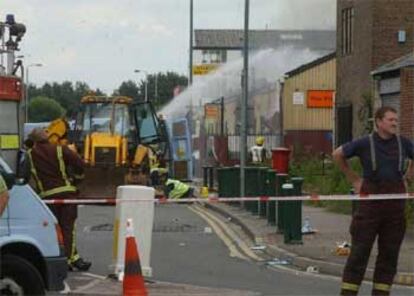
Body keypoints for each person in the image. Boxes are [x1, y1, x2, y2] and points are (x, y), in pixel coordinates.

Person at [332, 106, 414, 296]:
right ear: (378, 122)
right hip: (370, 204)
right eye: (390, 119)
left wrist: (408, 177)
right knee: (360, 251)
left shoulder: (403, 143)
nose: (395, 123)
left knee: (389, 254)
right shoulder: (364, 143)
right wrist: (354, 179)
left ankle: (381, 293)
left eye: (396, 120)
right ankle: (348, 292)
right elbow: (338, 154)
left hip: (395, 205)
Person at [26, 128, 91, 271]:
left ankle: (69, 258)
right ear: (47, 137)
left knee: (54, 230)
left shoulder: (29, 155)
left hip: (47, 198)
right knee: (68, 228)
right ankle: (69, 259)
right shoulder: (61, 149)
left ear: (34, 141)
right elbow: (80, 164)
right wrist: (76, 178)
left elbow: (24, 175)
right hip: (67, 195)